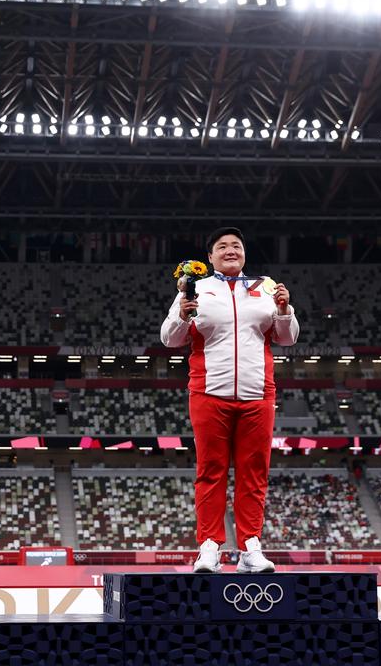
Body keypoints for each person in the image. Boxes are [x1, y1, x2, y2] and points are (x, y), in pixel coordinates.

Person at [160, 227, 299, 573]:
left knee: (254, 473)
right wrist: (182, 314)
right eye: (222, 246)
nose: (230, 250)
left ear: (245, 254)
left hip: (257, 393)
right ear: (210, 258)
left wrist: (284, 309)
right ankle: (210, 547)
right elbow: (169, 340)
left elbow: (287, 338)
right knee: (211, 471)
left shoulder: (266, 287)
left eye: (236, 245)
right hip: (209, 393)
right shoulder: (194, 289)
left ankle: (251, 546)